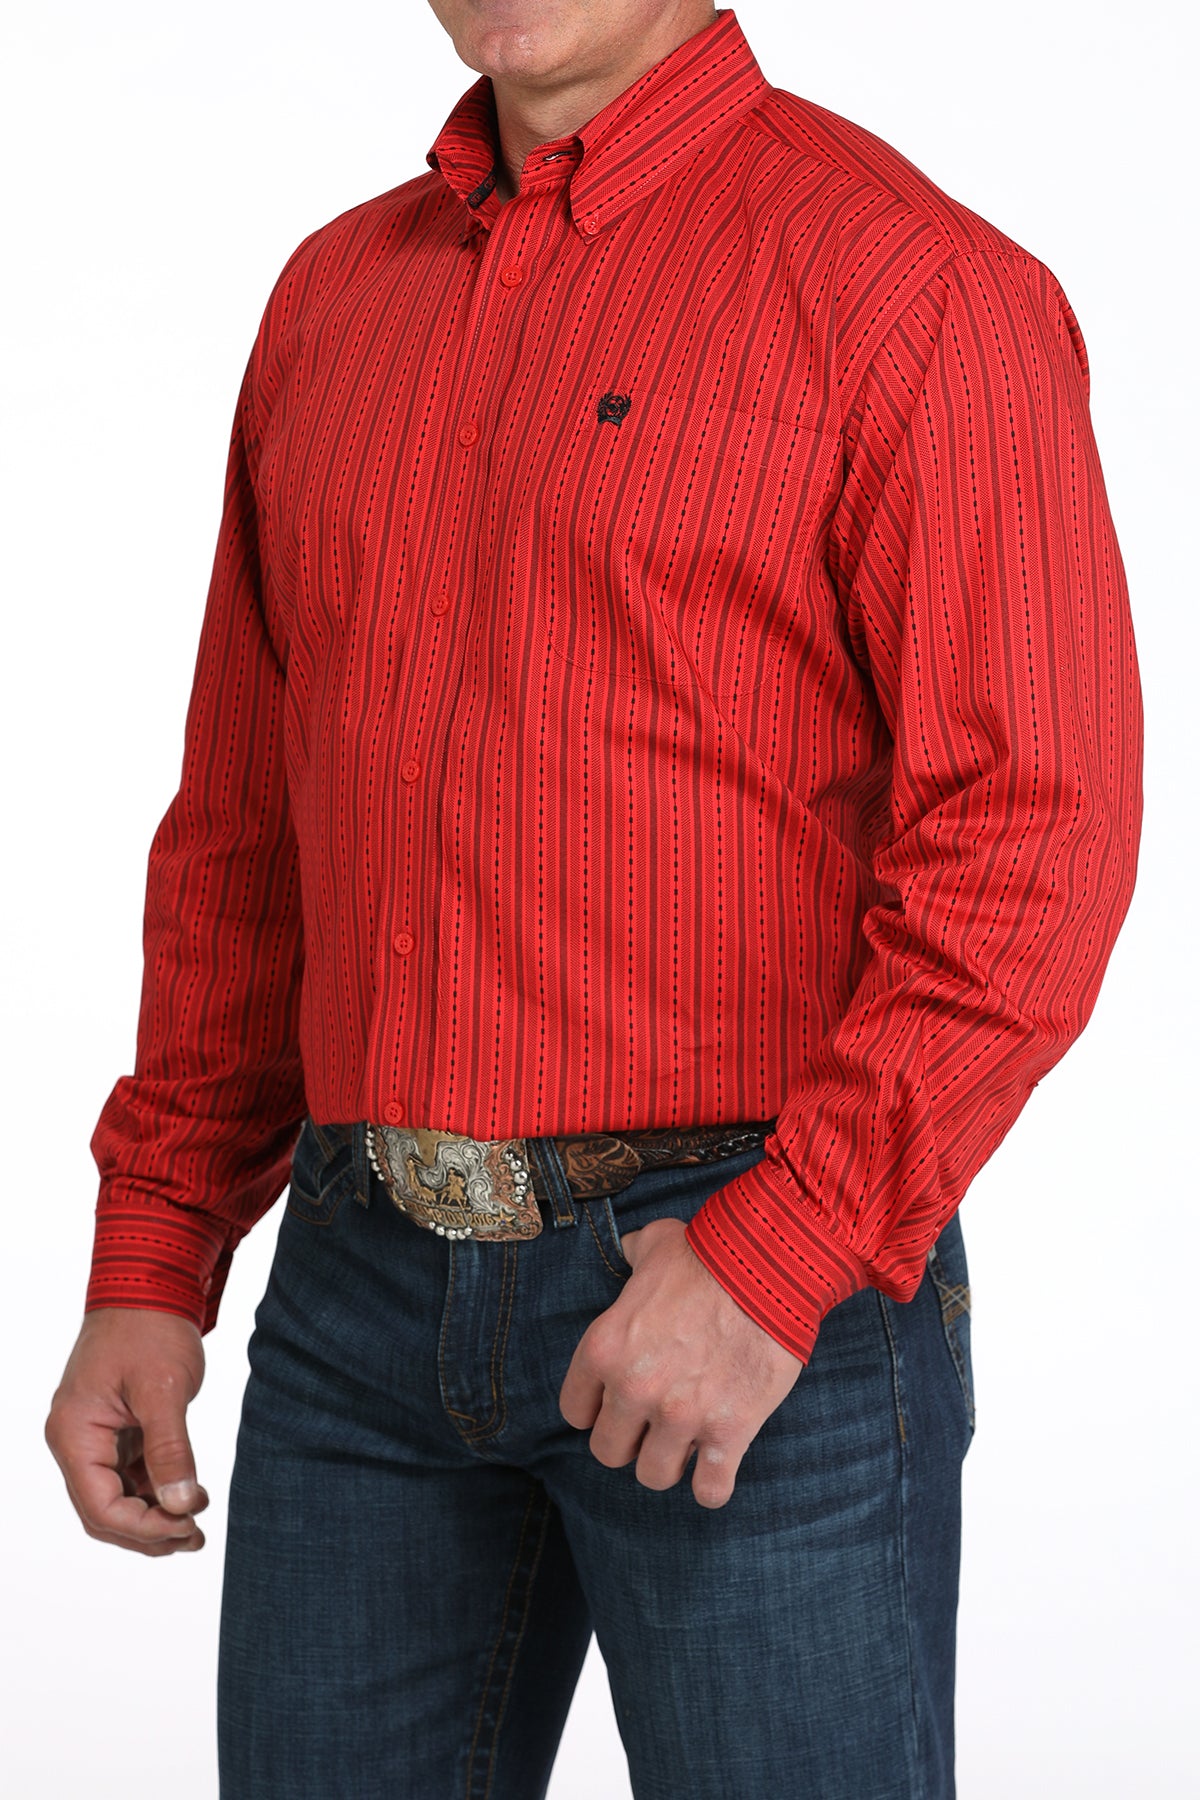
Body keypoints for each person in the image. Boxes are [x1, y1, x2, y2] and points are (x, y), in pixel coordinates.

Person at [45, 3, 1142, 1795]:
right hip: (358, 1288)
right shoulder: (334, 299)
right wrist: (157, 1247)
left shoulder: (912, 287)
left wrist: (780, 1259)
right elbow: (247, 824)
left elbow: (1032, 835)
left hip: (745, 1283)